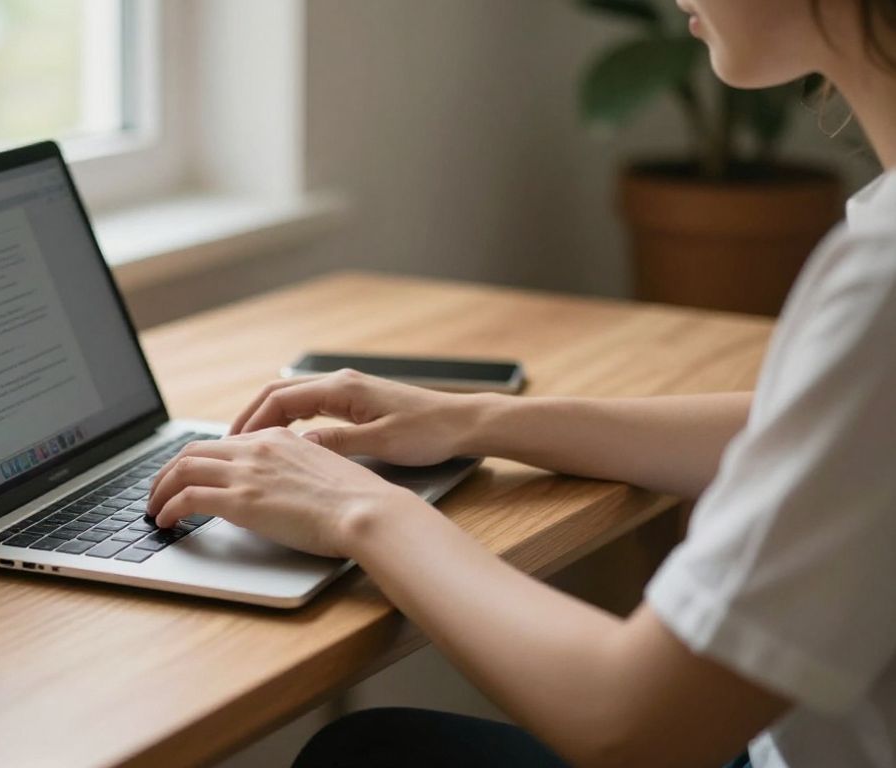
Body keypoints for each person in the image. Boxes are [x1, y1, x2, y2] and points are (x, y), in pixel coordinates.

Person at [146, 0, 896, 765]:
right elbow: (827, 437)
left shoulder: (883, 281)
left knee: (368, 757)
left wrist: (360, 509)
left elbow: (631, 722)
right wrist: (478, 420)